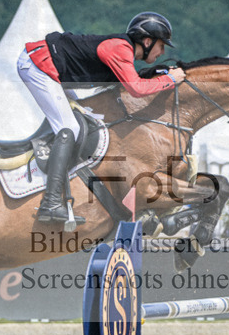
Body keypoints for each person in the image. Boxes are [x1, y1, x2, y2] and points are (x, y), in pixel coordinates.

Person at [18, 12, 186, 224]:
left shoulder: (123, 52)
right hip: (38, 65)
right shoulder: (120, 48)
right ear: (147, 41)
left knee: (85, 118)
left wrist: (159, 72)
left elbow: (131, 79)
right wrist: (170, 79)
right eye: (161, 46)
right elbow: (136, 89)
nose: (162, 52)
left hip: (51, 68)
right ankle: (50, 203)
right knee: (70, 129)